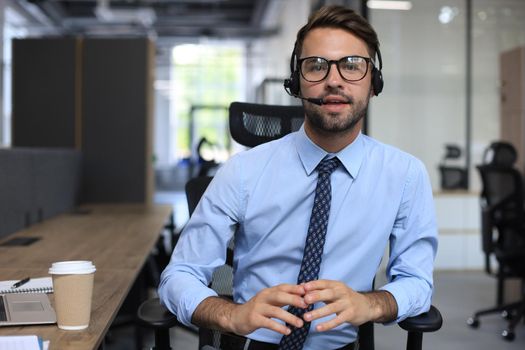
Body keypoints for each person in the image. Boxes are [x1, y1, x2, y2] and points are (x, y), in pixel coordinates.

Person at [159, 5, 437, 350]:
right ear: (296, 83)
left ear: (374, 83)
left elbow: (416, 281)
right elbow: (179, 275)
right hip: (252, 342)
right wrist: (230, 315)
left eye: (352, 65)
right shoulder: (243, 171)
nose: (334, 80)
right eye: (316, 66)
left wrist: (372, 304)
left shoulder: (405, 175)